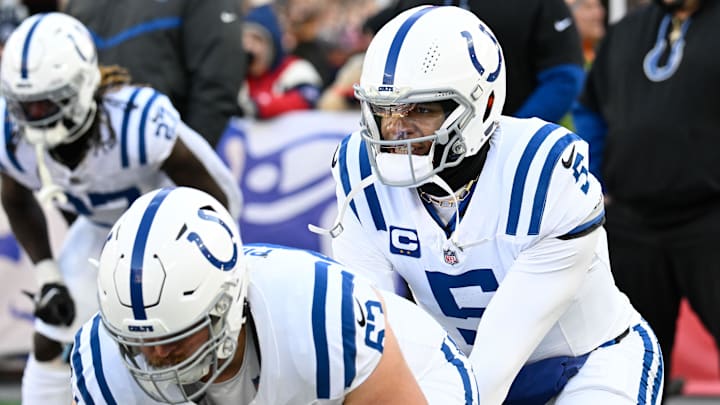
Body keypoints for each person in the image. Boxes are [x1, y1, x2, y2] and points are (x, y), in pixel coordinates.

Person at [314, 6, 664, 404]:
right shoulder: (361, 172)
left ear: (486, 103)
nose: (396, 130)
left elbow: (495, 364)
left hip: (589, 364)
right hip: (464, 369)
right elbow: (369, 336)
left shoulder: (540, 173)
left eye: (422, 110)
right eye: (384, 110)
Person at [0, 13, 242, 405]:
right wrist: (48, 276)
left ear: (80, 87)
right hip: (104, 230)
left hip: (177, 224)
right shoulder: (12, 135)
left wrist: (210, 261)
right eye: (23, 106)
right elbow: (14, 198)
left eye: (45, 105)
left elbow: (214, 198)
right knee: (52, 332)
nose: (32, 119)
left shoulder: (136, 123)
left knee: (173, 335)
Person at [70, 186, 478, 405]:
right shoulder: (103, 360)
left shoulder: (320, 318)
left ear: (226, 307)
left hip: (415, 375)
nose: (156, 357)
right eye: (140, 340)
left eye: (175, 336)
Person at [573, 0, 720, 395]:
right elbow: (590, 110)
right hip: (632, 221)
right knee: (635, 358)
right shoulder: (626, 32)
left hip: (709, 220)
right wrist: (594, 181)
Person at [362, 0, 585, 123]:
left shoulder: (542, 5)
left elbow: (564, 78)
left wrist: (507, 133)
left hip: (506, 141)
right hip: (425, 143)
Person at [61, 0, 245, 146]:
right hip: (86, 165)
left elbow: (217, 85)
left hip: (163, 161)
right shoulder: (80, 4)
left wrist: (183, 167)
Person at [238, 3, 323, 120]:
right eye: (245, 39)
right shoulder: (238, 75)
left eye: (257, 39)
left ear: (272, 45)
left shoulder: (296, 69)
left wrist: (260, 106)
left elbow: (307, 99)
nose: (249, 47)